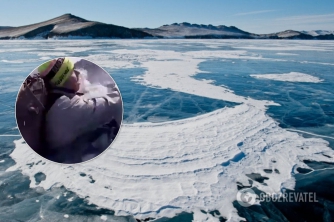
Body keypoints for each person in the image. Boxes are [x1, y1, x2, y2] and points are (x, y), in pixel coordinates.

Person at [38, 57, 122, 163]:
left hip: (66, 148)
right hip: (66, 157)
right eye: (73, 72)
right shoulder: (67, 106)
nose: (78, 74)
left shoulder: (57, 98)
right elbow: (110, 104)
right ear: (64, 78)